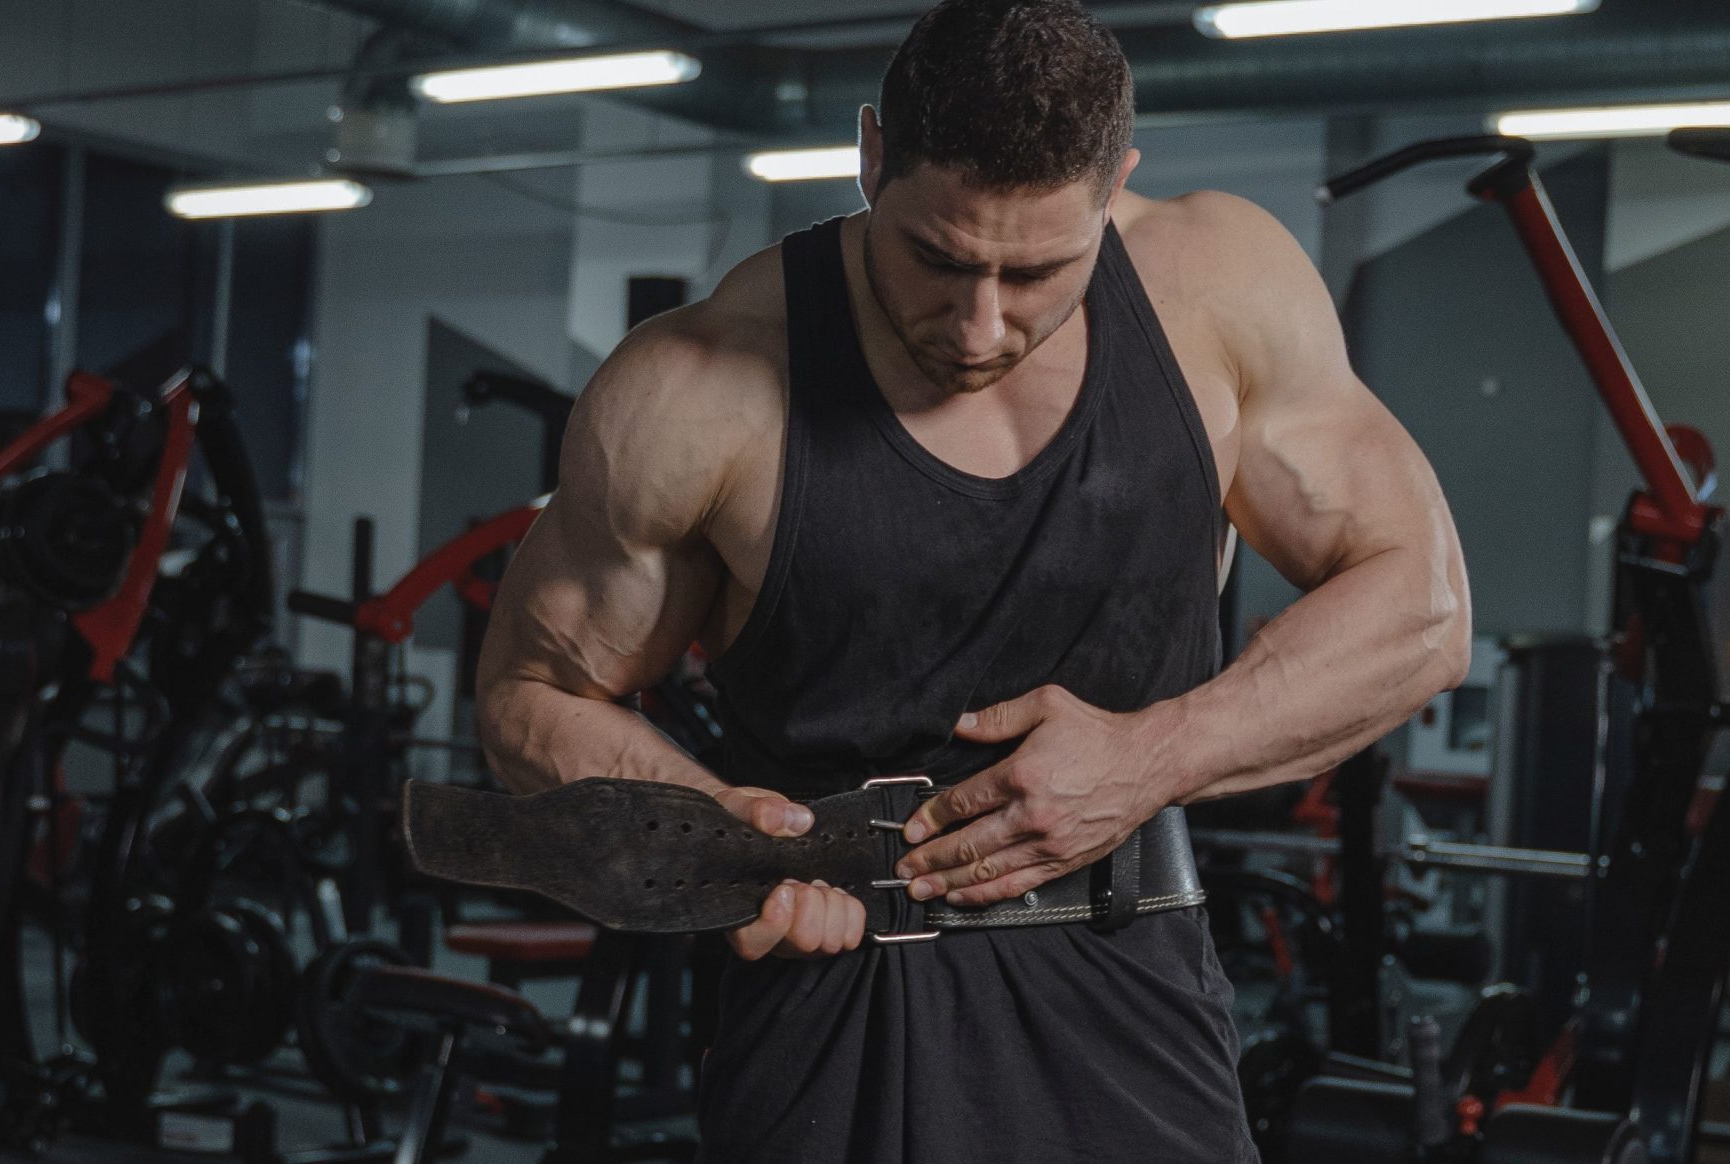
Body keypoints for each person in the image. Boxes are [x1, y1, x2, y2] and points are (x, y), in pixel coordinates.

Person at [475, 0, 1470, 1157]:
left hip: (1133, 982)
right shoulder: (697, 383)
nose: (981, 323)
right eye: (937, 259)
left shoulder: (1216, 288)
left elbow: (1422, 606)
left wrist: (1154, 755)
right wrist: (719, 838)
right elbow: (530, 695)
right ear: (870, 156)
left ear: (1117, 185)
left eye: (1039, 270)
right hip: (831, 990)